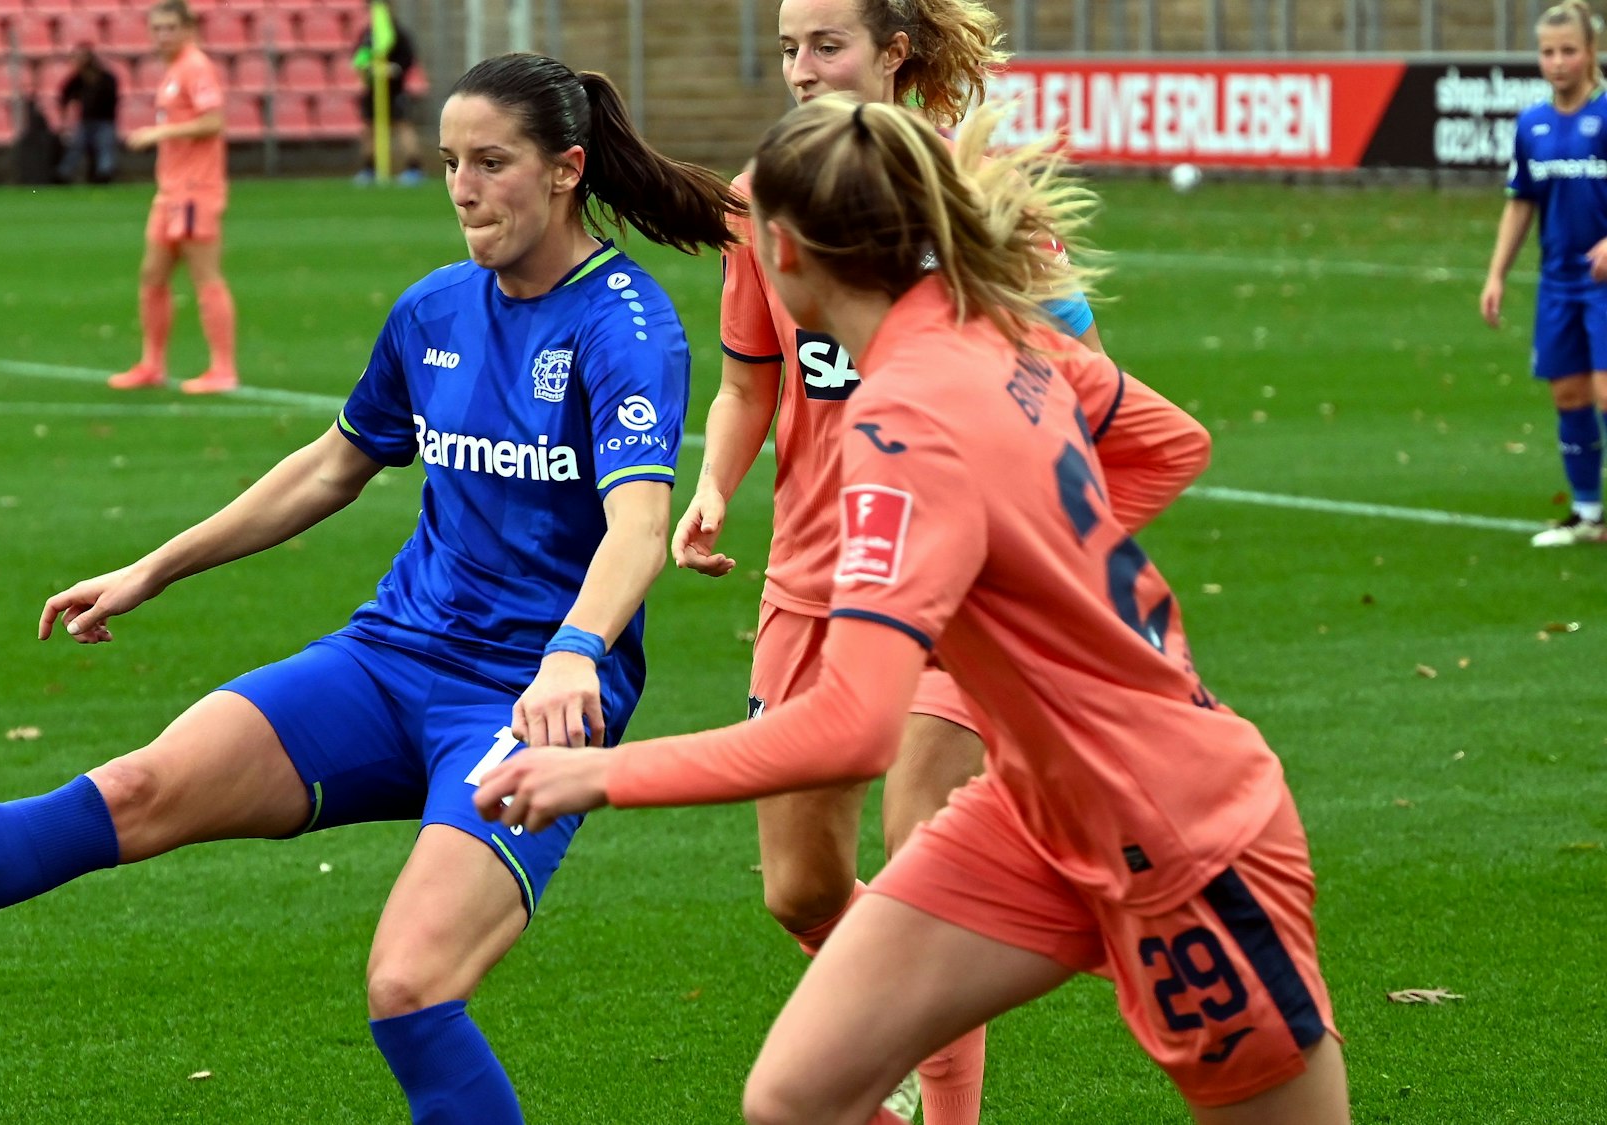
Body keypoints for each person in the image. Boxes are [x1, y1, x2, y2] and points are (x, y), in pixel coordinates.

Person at [0, 52, 742, 1125]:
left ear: (564, 168)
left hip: (524, 702)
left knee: (409, 988)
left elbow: (635, 527)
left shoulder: (623, 325)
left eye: (491, 163)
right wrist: (153, 568)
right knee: (131, 792)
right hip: (389, 655)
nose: (462, 188)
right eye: (451, 161)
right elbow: (328, 466)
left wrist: (571, 654)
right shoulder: (434, 310)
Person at [476, 96, 1348, 1125]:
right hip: (1028, 809)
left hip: (1174, 833)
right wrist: (1008, 565)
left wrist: (599, 773)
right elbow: (1164, 441)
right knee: (796, 1095)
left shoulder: (900, 415)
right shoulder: (997, 331)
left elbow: (853, 729)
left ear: (786, 253)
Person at [671, 1, 1171, 1119]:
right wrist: (712, 484)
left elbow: (1082, 383)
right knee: (800, 891)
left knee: (918, 865)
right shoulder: (761, 200)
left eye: (826, 45)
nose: (801, 69)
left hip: (958, 584)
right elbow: (752, 378)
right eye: (789, 47)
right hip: (810, 584)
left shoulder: (974, 193)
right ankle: (882, 1025)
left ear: (894, 52)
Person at [1481, 0, 1607, 546]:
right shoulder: (1531, 124)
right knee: (1570, 396)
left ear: (1592, 52)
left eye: (1568, 51)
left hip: (1604, 285)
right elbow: (1520, 203)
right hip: (1558, 282)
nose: (1557, 62)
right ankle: (1587, 516)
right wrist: (1496, 275)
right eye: (1548, 52)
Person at [110, 0, 238, 395]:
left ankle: (222, 369)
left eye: (169, 27)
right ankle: (152, 363)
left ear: (188, 29)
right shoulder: (175, 71)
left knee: (205, 275)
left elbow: (214, 121)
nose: (161, 35)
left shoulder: (196, 67)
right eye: (156, 28)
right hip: (171, 191)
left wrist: (157, 133)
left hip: (195, 190)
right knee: (152, 274)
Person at [352, 1, 425, 186]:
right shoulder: (368, 34)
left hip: (395, 90)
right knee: (370, 130)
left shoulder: (398, 34)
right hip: (373, 90)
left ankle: (413, 168)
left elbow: (407, 59)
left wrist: (394, 68)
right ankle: (369, 168)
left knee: (402, 127)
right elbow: (360, 57)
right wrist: (368, 67)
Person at [56, 44, 121, 184]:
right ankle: (63, 174)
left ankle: (104, 174)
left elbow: (112, 98)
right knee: (76, 148)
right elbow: (64, 94)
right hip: (86, 120)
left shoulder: (106, 78)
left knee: (104, 148)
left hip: (105, 120)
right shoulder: (78, 79)